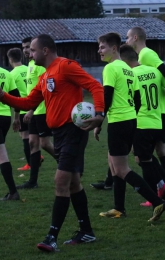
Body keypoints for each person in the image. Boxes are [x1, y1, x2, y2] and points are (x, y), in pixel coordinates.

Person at [0, 34, 105, 252]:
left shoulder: (66, 66)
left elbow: (95, 86)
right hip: (59, 133)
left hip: (73, 131)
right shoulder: (45, 75)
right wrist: (2, 96)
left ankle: (51, 237)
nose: (29, 53)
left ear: (45, 50)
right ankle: (87, 232)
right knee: (74, 183)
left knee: (60, 181)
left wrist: (99, 113)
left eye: (33, 50)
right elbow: (29, 101)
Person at [95, 32, 165, 221]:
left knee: (120, 169)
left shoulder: (111, 68)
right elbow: (136, 99)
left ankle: (157, 202)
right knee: (114, 164)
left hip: (118, 122)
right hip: (130, 121)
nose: (99, 51)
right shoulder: (128, 69)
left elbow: (107, 96)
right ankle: (119, 208)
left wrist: (99, 120)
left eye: (102, 47)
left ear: (114, 48)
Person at [126, 26, 165, 191]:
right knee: (158, 150)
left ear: (135, 38)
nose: (126, 41)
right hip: (157, 110)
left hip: (156, 111)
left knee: (144, 155)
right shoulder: (144, 55)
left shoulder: (146, 54)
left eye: (127, 37)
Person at [119, 44, 165, 206]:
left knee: (144, 159)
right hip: (157, 121)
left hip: (141, 122)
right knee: (143, 158)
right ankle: (163, 186)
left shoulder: (129, 75)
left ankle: (161, 188)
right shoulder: (155, 71)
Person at [16, 37, 55, 189]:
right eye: (24, 47)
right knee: (33, 143)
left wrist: (31, 109)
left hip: (42, 110)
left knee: (44, 144)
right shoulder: (31, 65)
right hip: (33, 110)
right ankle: (33, 182)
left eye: (29, 47)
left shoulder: (40, 66)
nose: (26, 50)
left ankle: (68, 165)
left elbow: (43, 89)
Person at [7, 48, 30, 171]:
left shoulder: (11, 74)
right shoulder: (29, 69)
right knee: (33, 136)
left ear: (10, 59)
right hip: (33, 107)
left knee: (25, 135)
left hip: (21, 108)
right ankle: (36, 156)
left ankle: (30, 163)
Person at [0, 66, 21, 201]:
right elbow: (17, 97)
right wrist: (17, 118)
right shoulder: (6, 73)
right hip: (5, 118)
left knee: (2, 155)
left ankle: (13, 192)